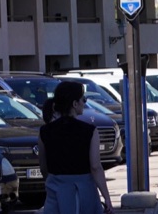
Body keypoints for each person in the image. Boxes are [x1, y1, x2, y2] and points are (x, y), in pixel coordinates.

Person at [36, 80, 112, 214]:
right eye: (83, 99)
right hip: (83, 191)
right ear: (75, 104)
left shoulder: (45, 131)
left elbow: (43, 167)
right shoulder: (90, 131)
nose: (84, 102)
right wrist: (107, 198)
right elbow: (95, 167)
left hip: (55, 190)